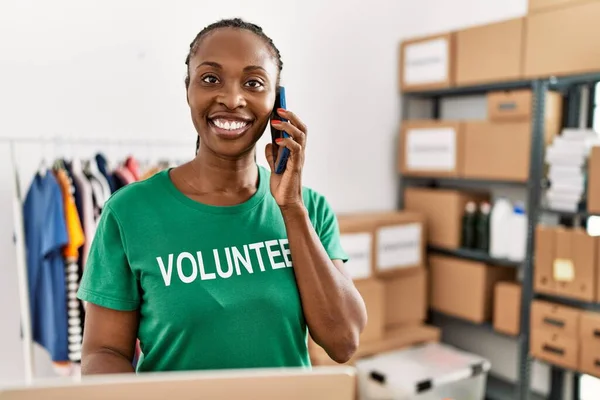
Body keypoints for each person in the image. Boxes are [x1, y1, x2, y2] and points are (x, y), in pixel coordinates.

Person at [77, 18, 367, 375]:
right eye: (211, 79)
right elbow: (103, 352)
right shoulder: (129, 213)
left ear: (277, 102)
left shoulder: (310, 209)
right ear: (188, 90)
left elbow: (343, 342)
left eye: (254, 83)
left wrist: (291, 208)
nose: (232, 99)